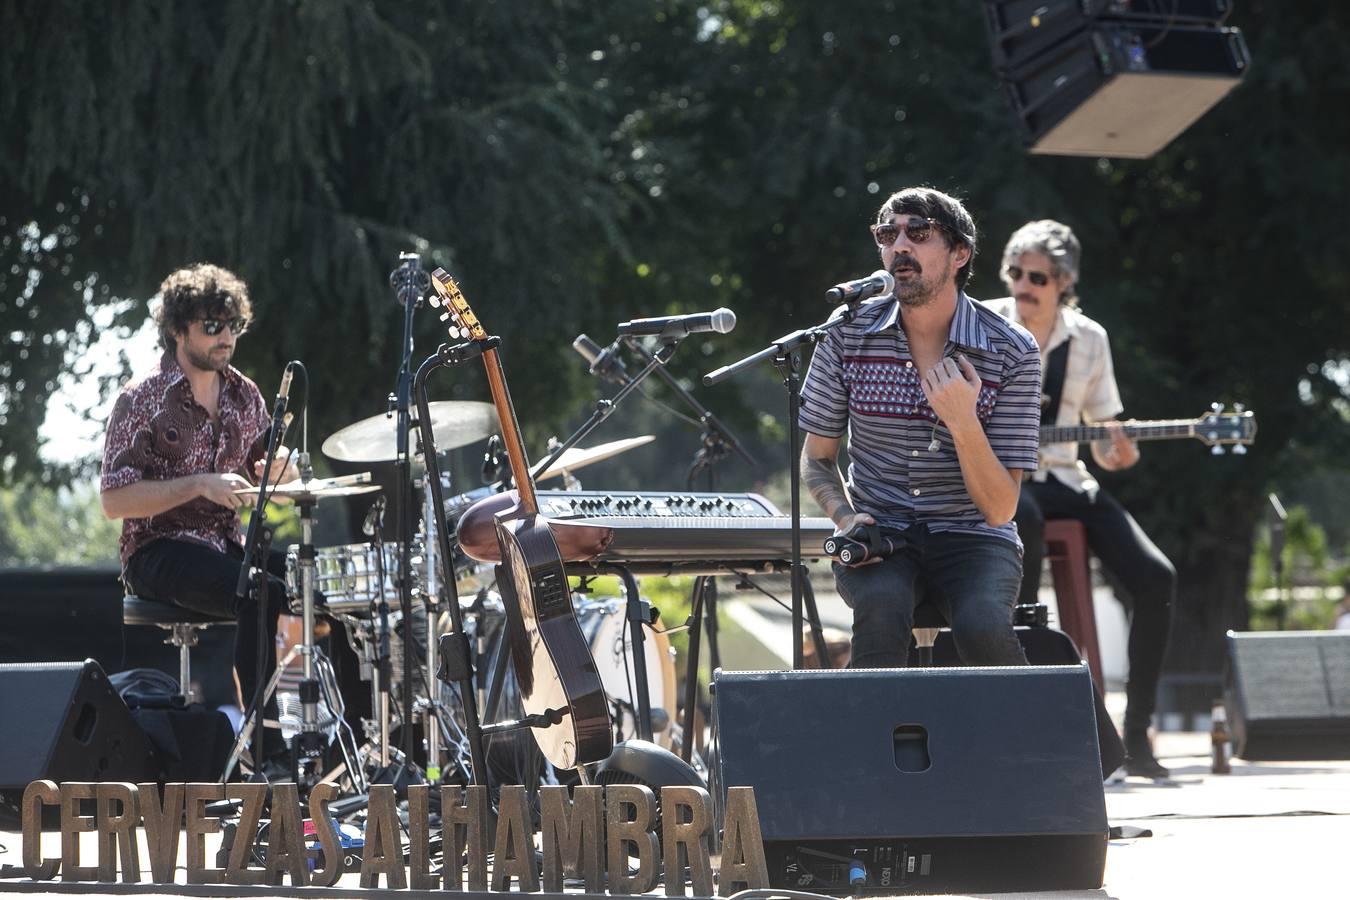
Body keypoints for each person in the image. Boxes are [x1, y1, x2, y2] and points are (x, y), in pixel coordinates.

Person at [799, 187, 1043, 670]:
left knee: (982, 625)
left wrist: (962, 422)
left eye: (919, 232)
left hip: (974, 536)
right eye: (887, 234)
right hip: (880, 533)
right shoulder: (844, 333)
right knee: (882, 609)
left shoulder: (1013, 350)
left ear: (960, 253)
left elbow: (999, 510)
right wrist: (846, 519)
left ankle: (1014, 744)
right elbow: (817, 459)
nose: (899, 245)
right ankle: (876, 743)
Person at [986, 219, 1176, 780]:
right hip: (1001, 480)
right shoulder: (982, 323)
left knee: (1156, 576)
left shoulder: (1090, 339)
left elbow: (1106, 433)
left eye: (1036, 277)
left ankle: (1136, 735)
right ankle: (1023, 704)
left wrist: (1120, 452)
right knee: (1026, 515)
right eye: (1014, 272)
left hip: (1069, 479)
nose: (1023, 285)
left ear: (1063, 282)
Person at [101, 263, 297, 772]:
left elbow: (270, 470)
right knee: (260, 590)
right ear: (177, 330)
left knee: (323, 582)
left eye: (233, 324)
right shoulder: (140, 398)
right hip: (155, 550)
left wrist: (283, 470)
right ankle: (265, 748)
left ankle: (360, 741)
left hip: (222, 545)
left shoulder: (246, 395)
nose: (226, 336)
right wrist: (198, 485)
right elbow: (113, 501)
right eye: (212, 326)